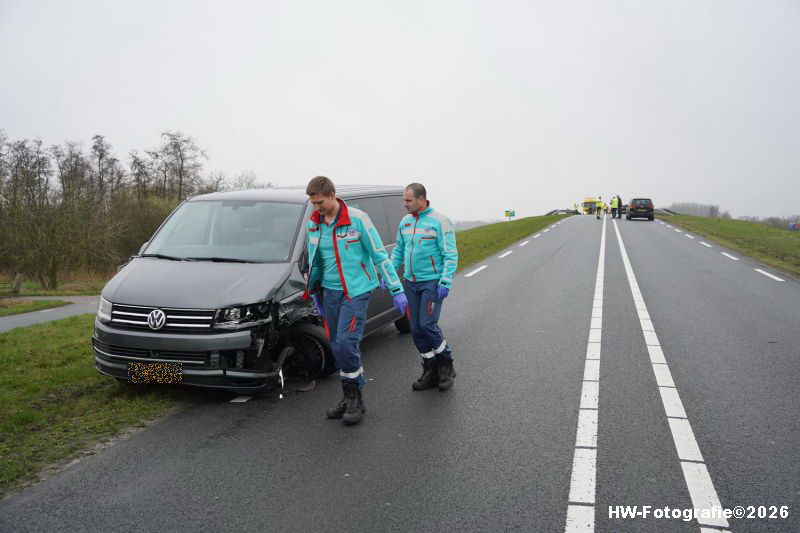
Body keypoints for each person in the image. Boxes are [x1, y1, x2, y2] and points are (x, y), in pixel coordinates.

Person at [304, 176, 407, 425]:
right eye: (313, 203)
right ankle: (347, 393)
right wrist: (314, 291)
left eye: (319, 202)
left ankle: (355, 399)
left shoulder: (358, 220)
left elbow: (380, 255)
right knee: (337, 345)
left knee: (348, 342)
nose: (316, 207)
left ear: (331, 195)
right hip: (329, 293)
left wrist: (396, 289)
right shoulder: (314, 225)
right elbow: (314, 260)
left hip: (356, 291)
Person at [391, 183, 459, 391]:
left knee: (427, 325)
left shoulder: (440, 221)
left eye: (408, 200)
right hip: (411, 282)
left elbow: (450, 254)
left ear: (421, 199)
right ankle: (430, 369)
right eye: (403, 200)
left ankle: (446, 365)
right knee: (416, 329)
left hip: (432, 282)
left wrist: (445, 281)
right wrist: (390, 273)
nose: (404, 204)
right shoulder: (405, 222)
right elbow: (399, 251)